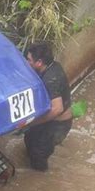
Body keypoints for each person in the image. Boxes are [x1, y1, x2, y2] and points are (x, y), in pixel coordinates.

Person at [24, 41, 72, 171]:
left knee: (38, 154)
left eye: (29, 60)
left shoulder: (51, 79)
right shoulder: (52, 66)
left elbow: (57, 109)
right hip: (47, 120)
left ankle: (39, 179)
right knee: (29, 139)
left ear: (39, 62)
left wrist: (33, 122)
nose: (26, 63)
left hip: (57, 125)